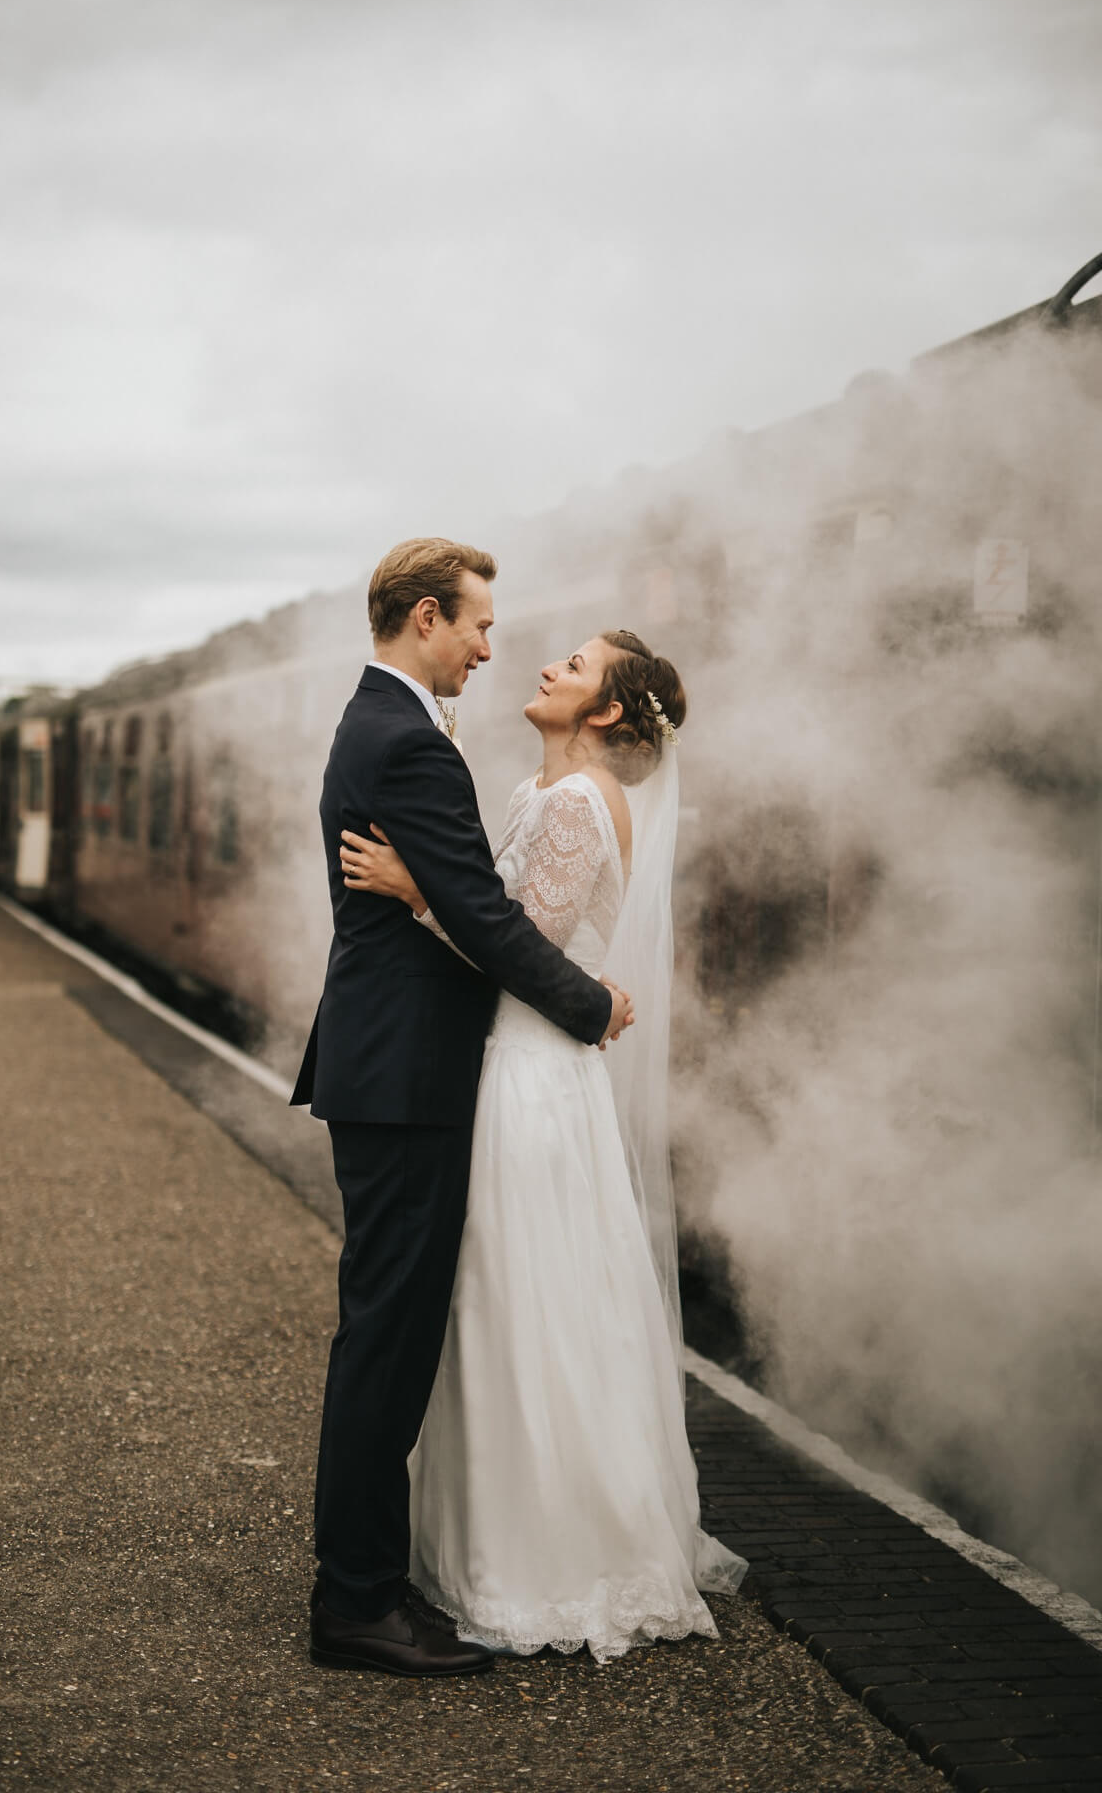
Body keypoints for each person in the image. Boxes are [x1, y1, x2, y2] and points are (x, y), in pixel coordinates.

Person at [340, 629, 748, 1662]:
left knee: (521, 1301)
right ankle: (488, 1542)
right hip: (510, 1069)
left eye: (576, 665)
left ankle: (545, 1561)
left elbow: (517, 950)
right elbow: (513, 931)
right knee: (498, 1302)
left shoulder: (571, 805)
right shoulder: (539, 793)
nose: (547, 665)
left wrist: (414, 888)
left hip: (527, 1082)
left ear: (606, 713)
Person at [291, 539, 634, 1678]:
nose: (493, 648)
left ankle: (371, 1584)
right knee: (387, 1340)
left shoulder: (386, 725)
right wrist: (589, 1006)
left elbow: (461, 903)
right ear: (427, 618)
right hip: (404, 1076)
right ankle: (355, 1606)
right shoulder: (407, 741)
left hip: (395, 1067)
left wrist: (426, 891)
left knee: (388, 1334)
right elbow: (488, 923)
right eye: (480, 626)